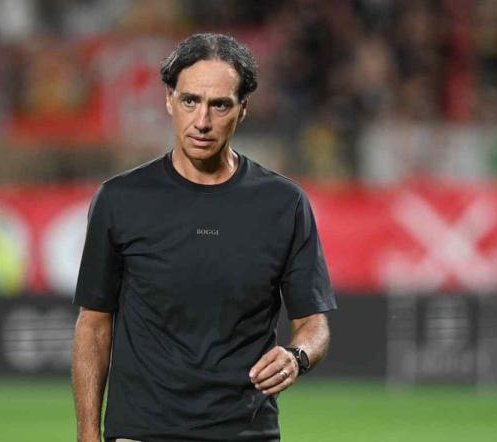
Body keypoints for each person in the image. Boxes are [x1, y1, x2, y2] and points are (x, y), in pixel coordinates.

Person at [72, 32, 336, 442]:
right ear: (168, 100)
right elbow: (93, 326)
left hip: (246, 432)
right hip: (143, 432)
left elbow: (313, 324)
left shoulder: (283, 204)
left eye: (220, 105)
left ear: (243, 108)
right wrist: (87, 436)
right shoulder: (120, 199)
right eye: (190, 101)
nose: (202, 121)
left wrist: (296, 356)